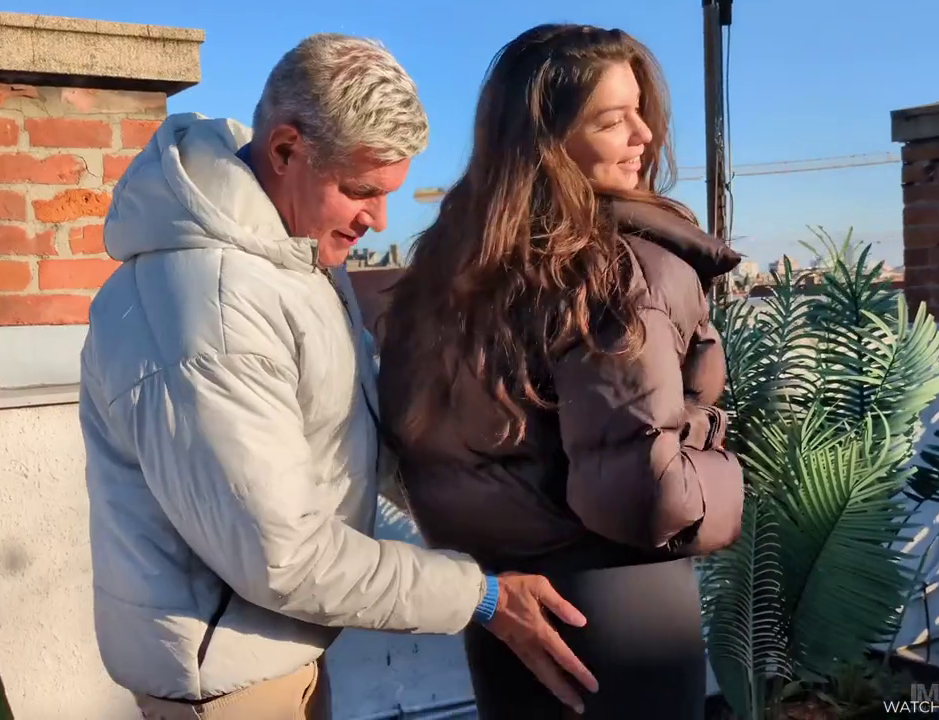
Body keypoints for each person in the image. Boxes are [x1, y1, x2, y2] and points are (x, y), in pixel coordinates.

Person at [78, 32, 598, 720]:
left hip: (268, 653)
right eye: (360, 190)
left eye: (387, 194)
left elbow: (348, 443)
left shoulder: (290, 258)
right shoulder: (214, 309)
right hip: (229, 683)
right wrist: (482, 597)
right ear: (284, 150)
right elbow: (283, 556)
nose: (376, 219)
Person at [377, 23, 747, 719]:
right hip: (620, 612)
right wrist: (715, 447)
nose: (644, 135)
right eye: (612, 120)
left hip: (505, 608)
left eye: (641, 111)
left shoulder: (448, 271)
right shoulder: (618, 268)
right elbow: (647, 496)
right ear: (545, 143)